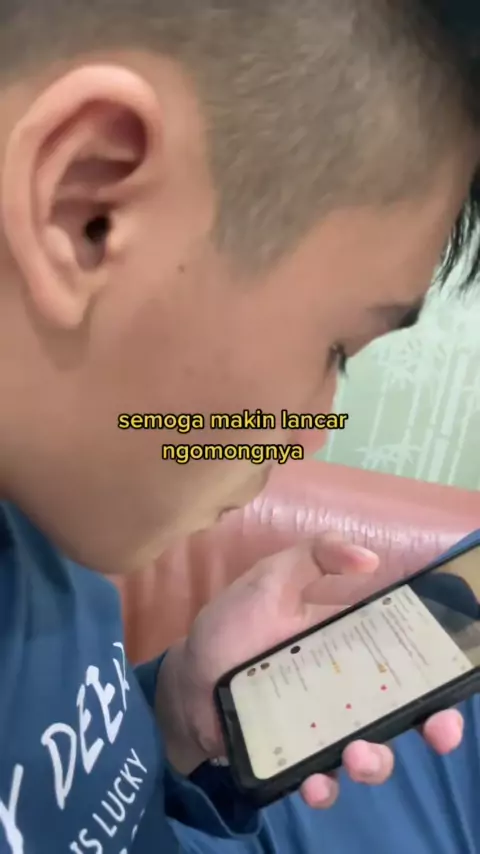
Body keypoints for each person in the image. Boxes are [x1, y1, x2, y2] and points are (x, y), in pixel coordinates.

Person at [0, 0, 479, 852]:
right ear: (83, 206)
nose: (311, 435)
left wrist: (175, 710)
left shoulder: (59, 520)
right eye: (338, 348)